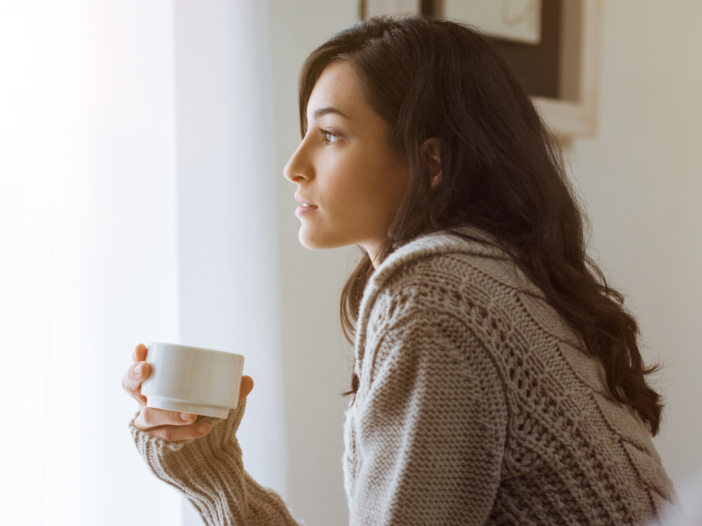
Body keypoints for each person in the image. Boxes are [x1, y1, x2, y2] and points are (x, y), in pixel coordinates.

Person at [122, 14, 675, 525]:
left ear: (430, 163)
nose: (294, 166)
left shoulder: (435, 295)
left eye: (331, 134)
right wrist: (208, 468)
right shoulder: (492, 279)